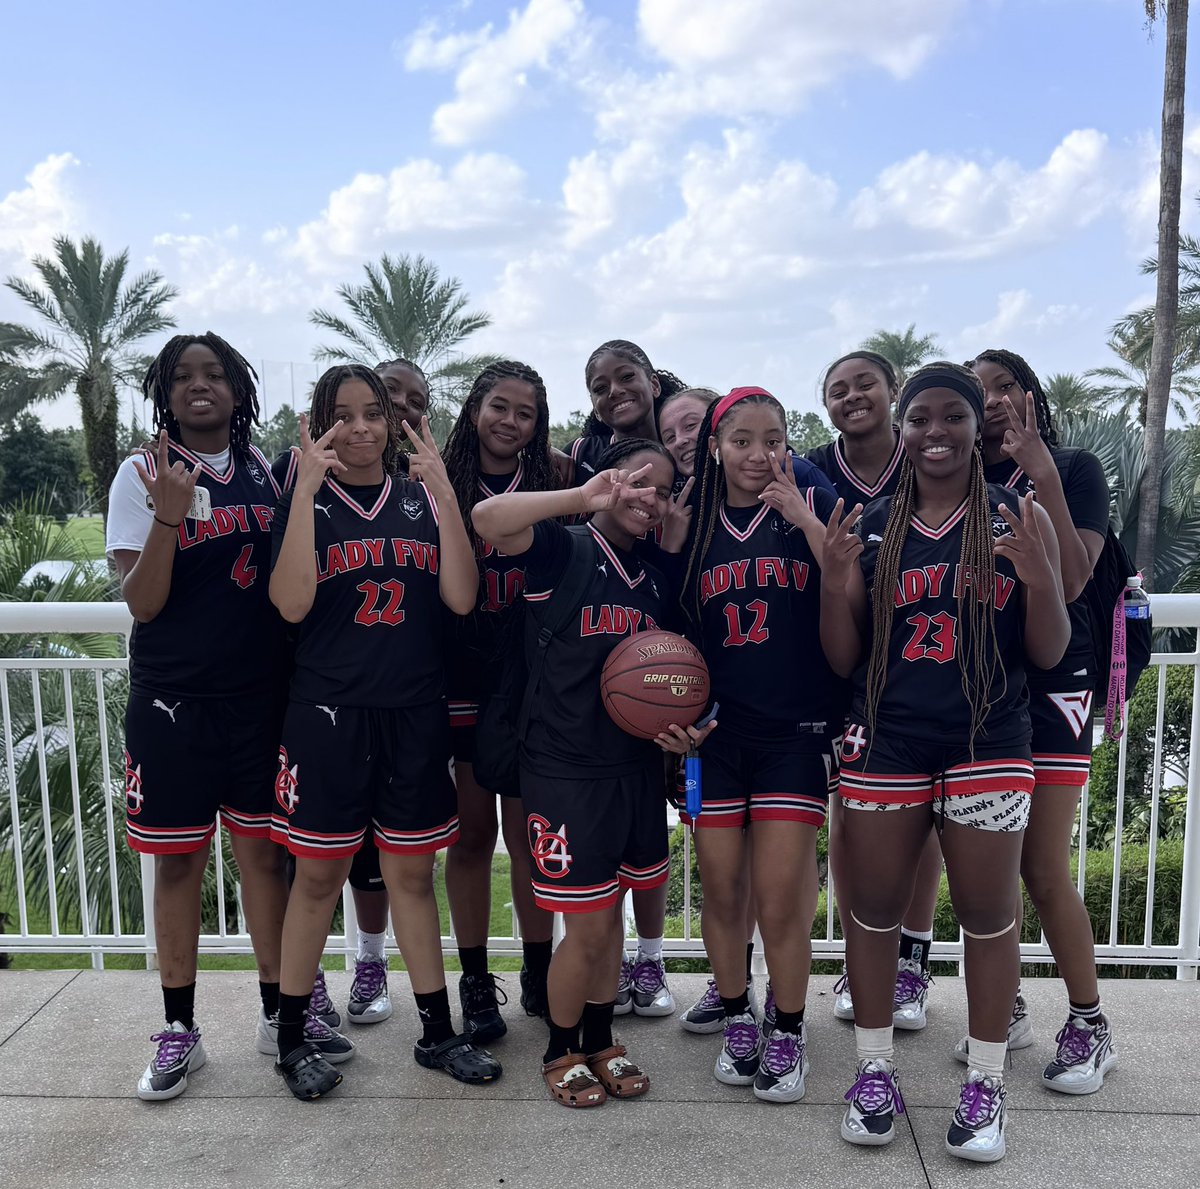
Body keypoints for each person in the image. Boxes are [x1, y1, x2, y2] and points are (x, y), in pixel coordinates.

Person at [820, 362, 1069, 1162]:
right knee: (874, 909)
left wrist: (1039, 581)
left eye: (951, 417)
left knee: (989, 912)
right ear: (902, 428)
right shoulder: (874, 523)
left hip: (987, 739)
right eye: (919, 418)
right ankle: (873, 1070)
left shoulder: (1010, 518)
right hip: (887, 735)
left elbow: (1050, 649)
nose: (935, 432)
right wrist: (833, 585)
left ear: (975, 426)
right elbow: (843, 656)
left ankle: (986, 1083)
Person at [267, 364, 497, 1101]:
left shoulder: (421, 500)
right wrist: (302, 492)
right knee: (319, 879)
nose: (363, 427)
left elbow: (461, 596)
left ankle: (437, 1030)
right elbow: (292, 604)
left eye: (375, 412)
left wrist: (449, 497)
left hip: (412, 712)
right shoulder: (305, 498)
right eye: (345, 414)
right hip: (328, 716)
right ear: (321, 421)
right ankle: (294, 1037)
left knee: (410, 876)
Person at [472, 439, 712, 1108]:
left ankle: (603, 1038)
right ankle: (560, 1046)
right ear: (609, 479)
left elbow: (676, 679)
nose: (649, 497)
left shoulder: (659, 578)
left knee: (616, 924)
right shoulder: (564, 547)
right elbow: (489, 518)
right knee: (589, 922)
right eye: (638, 482)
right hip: (564, 770)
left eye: (663, 490)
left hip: (633, 770)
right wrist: (583, 497)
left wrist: (682, 735)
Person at [107, 333, 291, 1101]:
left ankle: (282, 1013)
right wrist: (170, 520)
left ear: (238, 386)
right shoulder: (139, 473)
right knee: (176, 862)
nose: (199, 385)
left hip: (258, 700)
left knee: (265, 860)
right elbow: (141, 601)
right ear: (165, 392)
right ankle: (180, 1028)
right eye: (183, 376)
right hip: (171, 701)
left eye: (214, 372)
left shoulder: (265, 470)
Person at [673, 386, 840, 1102]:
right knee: (723, 887)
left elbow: (851, 603)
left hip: (793, 733)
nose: (757, 453)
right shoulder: (690, 527)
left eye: (773, 439)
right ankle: (739, 1013)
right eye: (741, 439)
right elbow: (666, 642)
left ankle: (790, 1027)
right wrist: (672, 719)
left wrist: (807, 522)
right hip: (715, 737)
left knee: (779, 897)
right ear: (716, 447)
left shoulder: (810, 511)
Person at [965, 348, 1115, 1092]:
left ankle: (1090, 1022)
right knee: (985, 859)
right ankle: (1010, 1004)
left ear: (1030, 396)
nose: (991, 401)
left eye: (1003, 388)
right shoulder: (959, 477)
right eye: (979, 391)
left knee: (1041, 863)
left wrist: (1040, 470)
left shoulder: (1073, 466)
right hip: (993, 682)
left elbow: (1077, 575)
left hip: (1059, 676)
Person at [809, 351, 943, 1029]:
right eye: (837, 389)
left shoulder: (929, 456)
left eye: (865, 383)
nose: (852, 396)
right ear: (825, 405)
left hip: (927, 673)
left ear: (892, 392)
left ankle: (911, 963)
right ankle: (860, 958)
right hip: (841, 663)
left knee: (926, 824)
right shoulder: (812, 468)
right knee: (850, 815)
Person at [440, 361, 560, 1034]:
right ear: (475, 408)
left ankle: (539, 967)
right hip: (460, 673)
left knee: (527, 836)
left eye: (526, 412)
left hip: (530, 680)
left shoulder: (554, 478)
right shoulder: (440, 482)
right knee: (470, 834)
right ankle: (476, 976)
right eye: (500, 406)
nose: (511, 421)